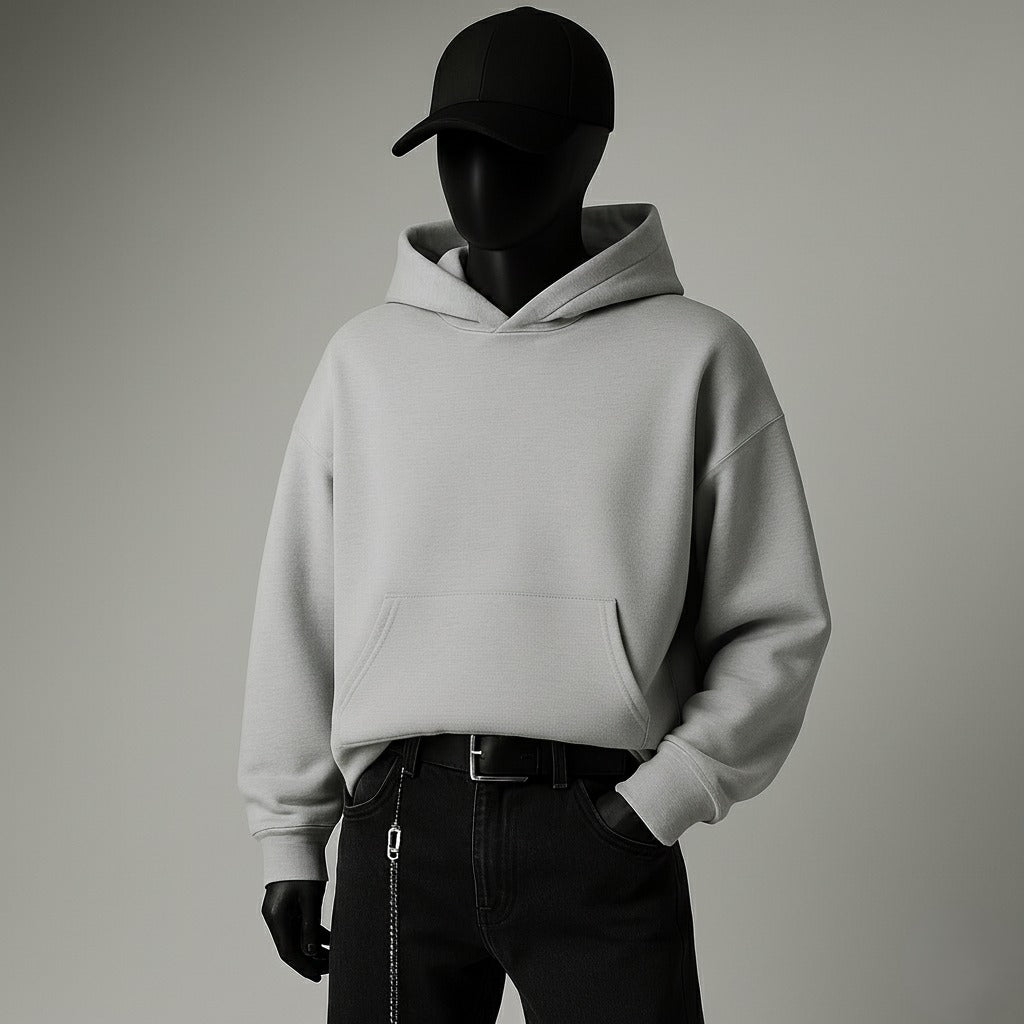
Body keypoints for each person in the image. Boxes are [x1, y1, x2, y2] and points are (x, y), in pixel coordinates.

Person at [237, 7, 831, 1022]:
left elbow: (777, 622)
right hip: (399, 826)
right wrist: (290, 834)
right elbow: (300, 605)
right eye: (453, 148)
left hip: (599, 825)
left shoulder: (696, 357)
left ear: (588, 150)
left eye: (508, 148)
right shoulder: (366, 360)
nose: (476, 179)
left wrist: (660, 801)